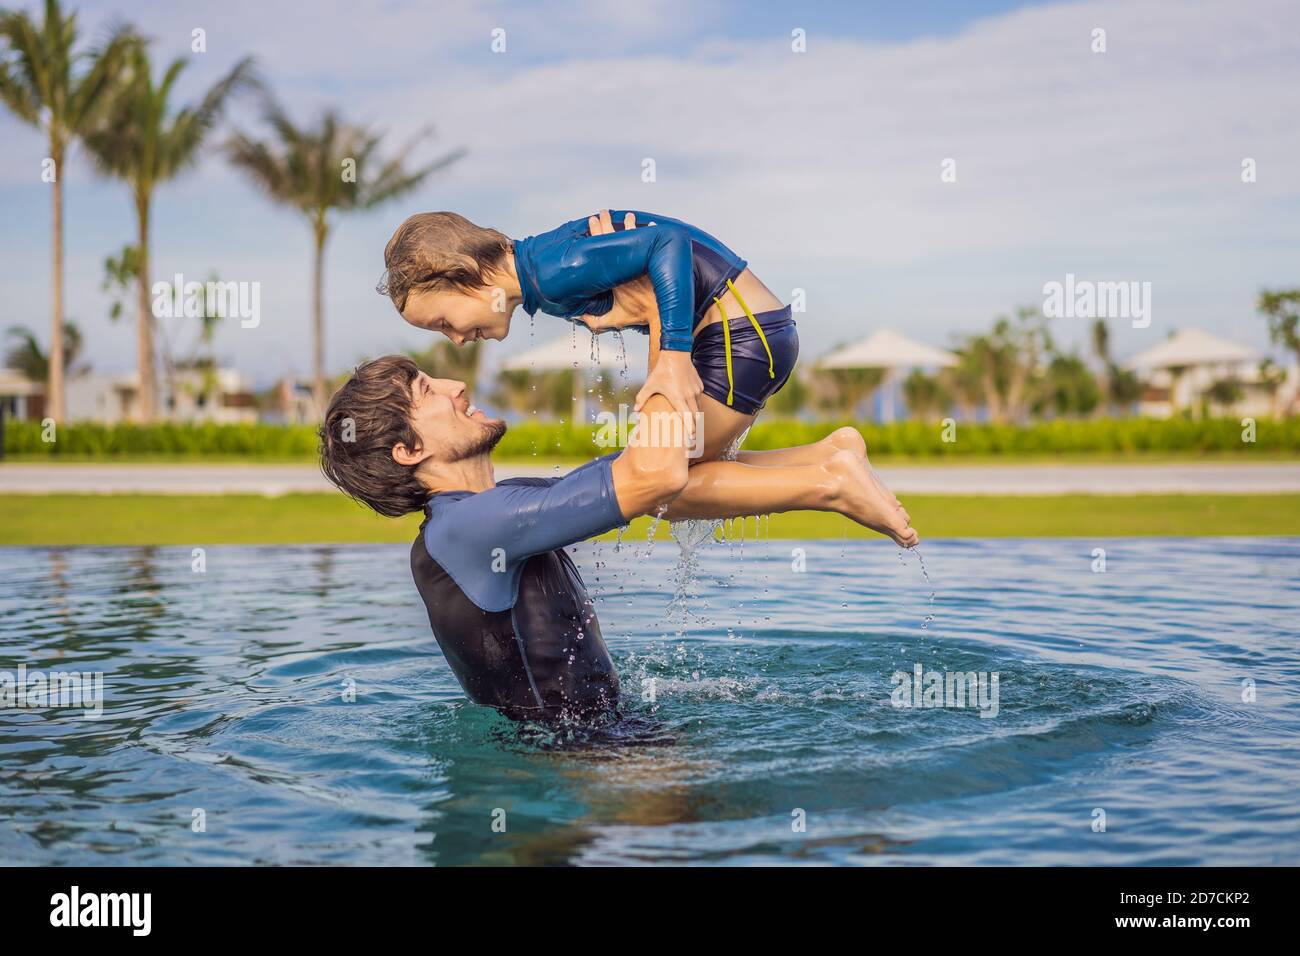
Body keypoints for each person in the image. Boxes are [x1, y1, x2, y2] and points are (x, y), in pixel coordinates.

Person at [318, 356, 917, 722]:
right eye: (428, 391)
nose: (455, 385)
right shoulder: (468, 527)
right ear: (408, 451)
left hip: (604, 740)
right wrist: (668, 347)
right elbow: (652, 473)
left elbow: (665, 489)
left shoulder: (487, 511)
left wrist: (815, 461)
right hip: (576, 765)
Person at [377, 207, 801, 460]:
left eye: (444, 323)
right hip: (750, 332)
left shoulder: (552, 270)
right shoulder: (542, 282)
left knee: (660, 475)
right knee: (671, 473)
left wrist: (673, 355)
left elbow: (665, 243)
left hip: (740, 333)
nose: (456, 339)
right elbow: (643, 290)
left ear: (466, 274)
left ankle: (832, 478)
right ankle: (829, 463)